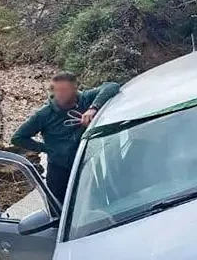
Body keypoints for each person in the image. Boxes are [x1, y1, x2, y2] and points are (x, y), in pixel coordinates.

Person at [12, 72, 120, 202]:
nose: (60, 95)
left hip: (85, 165)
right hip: (59, 169)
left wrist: (93, 108)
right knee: (59, 207)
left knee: (92, 202)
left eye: (65, 90)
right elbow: (18, 137)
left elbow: (111, 86)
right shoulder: (44, 114)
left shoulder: (85, 99)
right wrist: (48, 148)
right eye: (57, 90)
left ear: (74, 89)